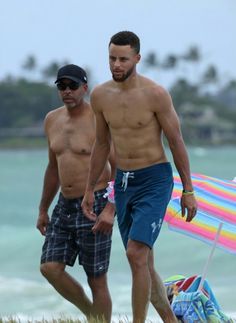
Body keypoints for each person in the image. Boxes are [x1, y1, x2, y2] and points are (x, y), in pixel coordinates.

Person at [81, 31, 198, 323]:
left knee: (135, 254)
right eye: (112, 58)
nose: (116, 65)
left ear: (137, 58)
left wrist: (188, 189)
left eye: (123, 59)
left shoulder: (155, 94)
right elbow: (102, 145)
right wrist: (88, 189)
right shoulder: (100, 95)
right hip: (123, 183)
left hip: (155, 180)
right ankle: (170, 320)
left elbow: (176, 141)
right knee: (143, 261)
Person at [36, 64, 115, 323]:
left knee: (96, 278)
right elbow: (52, 167)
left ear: (84, 87)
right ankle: (92, 314)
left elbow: (118, 166)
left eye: (72, 86)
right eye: (62, 86)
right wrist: (42, 209)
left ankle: (98, 320)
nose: (67, 91)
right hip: (64, 205)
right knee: (50, 267)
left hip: (96, 202)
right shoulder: (51, 119)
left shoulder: (98, 118)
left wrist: (110, 209)